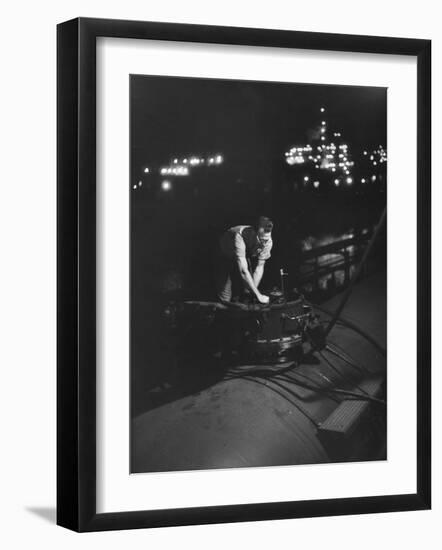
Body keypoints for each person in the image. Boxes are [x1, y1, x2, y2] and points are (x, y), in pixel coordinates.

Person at [215, 216, 273, 304]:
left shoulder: (268, 241)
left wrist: (253, 293)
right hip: (224, 256)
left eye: (266, 240)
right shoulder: (239, 235)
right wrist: (258, 295)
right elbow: (243, 271)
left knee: (247, 291)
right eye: (261, 240)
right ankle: (224, 314)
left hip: (242, 256)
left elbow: (260, 267)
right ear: (254, 233)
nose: (263, 243)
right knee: (225, 296)